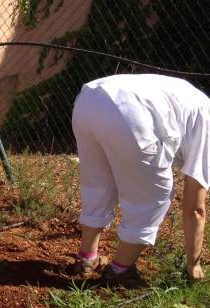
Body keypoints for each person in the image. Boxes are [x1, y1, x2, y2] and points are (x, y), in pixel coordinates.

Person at [71, 74, 210, 288]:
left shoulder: (197, 101)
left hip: (89, 99)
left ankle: (87, 258)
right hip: (130, 113)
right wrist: (194, 264)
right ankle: (120, 271)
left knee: (99, 184)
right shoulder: (206, 122)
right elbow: (194, 208)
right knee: (153, 196)